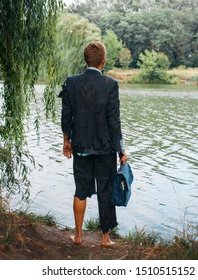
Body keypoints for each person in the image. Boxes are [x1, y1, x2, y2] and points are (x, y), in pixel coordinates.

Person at [59, 41, 127, 247]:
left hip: (81, 148)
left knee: (81, 190)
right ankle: (105, 239)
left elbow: (66, 115)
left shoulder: (71, 83)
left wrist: (66, 140)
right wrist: (121, 150)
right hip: (106, 149)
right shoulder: (110, 85)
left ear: (85, 60)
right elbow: (114, 121)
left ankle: (78, 236)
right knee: (105, 191)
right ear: (103, 61)